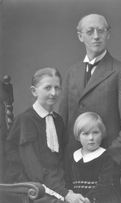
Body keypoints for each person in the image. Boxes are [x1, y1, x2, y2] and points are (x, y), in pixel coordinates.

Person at [58, 14, 121, 201]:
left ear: (108, 34)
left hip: (106, 168)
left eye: (101, 31)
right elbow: (60, 119)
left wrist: (109, 159)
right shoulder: (72, 72)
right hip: (74, 165)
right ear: (80, 36)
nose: (96, 36)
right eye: (90, 31)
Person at [5, 67, 88, 203]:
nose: (53, 93)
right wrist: (65, 193)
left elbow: (62, 162)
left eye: (57, 88)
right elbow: (33, 168)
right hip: (29, 188)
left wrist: (70, 190)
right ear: (34, 91)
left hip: (54, 184)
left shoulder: (58, 121)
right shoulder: (26, 121)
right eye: (47, 88)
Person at [71, 112, 121, 203]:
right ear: (78, 136)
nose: (91, 138)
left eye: (95, 133)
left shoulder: (106, 157)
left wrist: (89, 199)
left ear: (102, 134)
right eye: (85, 134)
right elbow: (68, 181)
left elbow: (105, 184)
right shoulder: (74, 156)